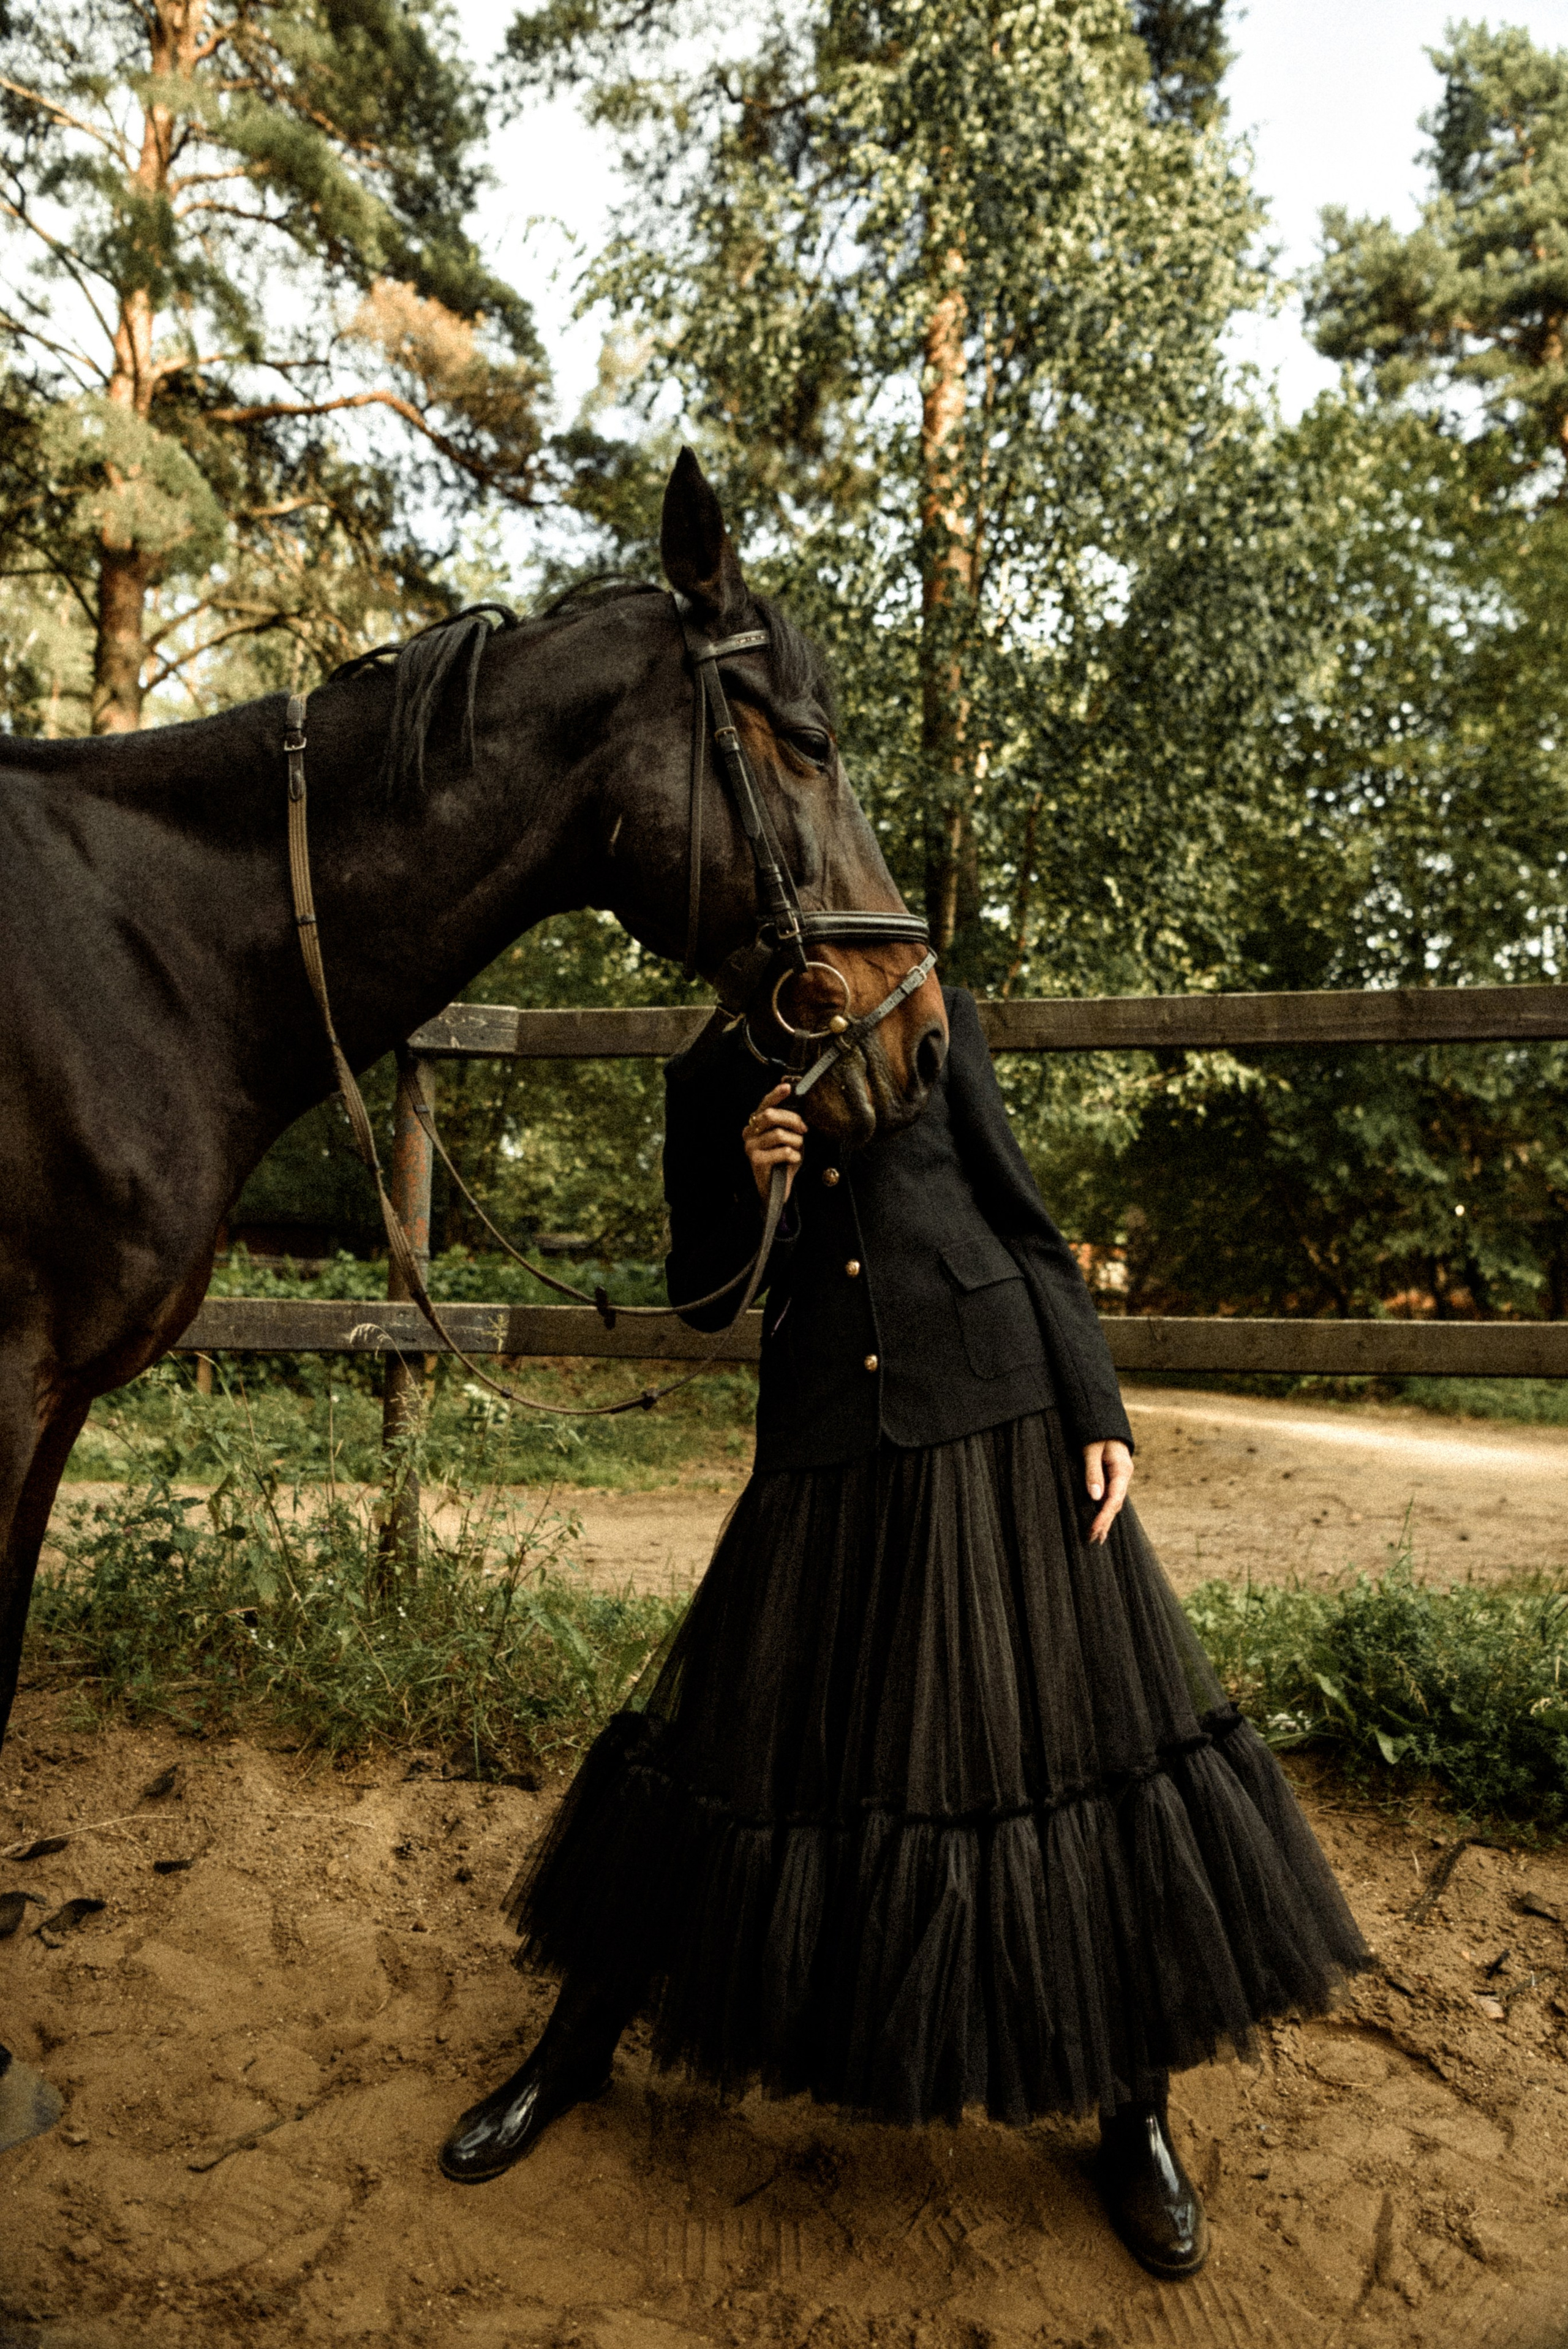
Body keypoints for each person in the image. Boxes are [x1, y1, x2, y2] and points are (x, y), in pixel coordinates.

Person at [439, 989, 1369, 2279]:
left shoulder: (925, 1005)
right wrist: (746, 1179)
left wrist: (1097, 1404)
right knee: (726, 1745)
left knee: (1075, 1748)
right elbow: (700, 1295)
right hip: (819, 1436)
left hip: (1000, 1413)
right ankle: (574, 2051)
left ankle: (1131, 2114)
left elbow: (1023, 1220)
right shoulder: (705, 1067)